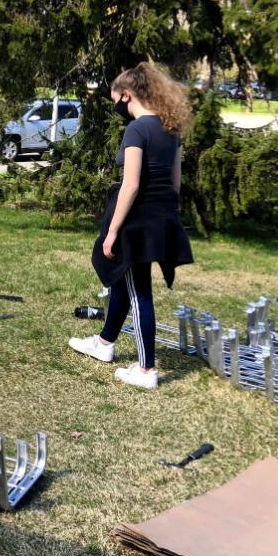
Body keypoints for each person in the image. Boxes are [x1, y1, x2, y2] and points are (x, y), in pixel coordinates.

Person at [69, 62, 194, 389]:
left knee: (139, 291)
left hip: (136, 220)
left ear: (127, 95)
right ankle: (105, 343)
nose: (117, 108)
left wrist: (113, 232)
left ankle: (146, 370)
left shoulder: (137, 130)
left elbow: (131, 185)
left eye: (116, 101)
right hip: (161, 217)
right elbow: (176, 184)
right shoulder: (171, 129)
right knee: (122, 282)